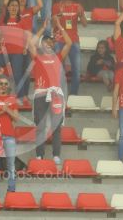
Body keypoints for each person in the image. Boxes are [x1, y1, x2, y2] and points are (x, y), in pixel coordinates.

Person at [28, 19, 71, 164]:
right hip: (40, 93)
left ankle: (56, 155)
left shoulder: (58, 57)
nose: (48, 44)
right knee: (40, 126)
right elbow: (30, 44)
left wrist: (60, 26)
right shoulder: (37, 57)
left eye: (51, 42)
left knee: (56, 127)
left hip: (56, 94)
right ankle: (39, 154)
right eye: (45, 42)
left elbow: (69, 43)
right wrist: (42, 28)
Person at [3, 0, 43, 102]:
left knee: (27, 71)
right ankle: (20, 96)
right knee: (18, 72)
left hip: (28, 45)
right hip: (17, 46)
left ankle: (24, 95)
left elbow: (40, 5)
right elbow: (5, 3)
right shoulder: (12, 10)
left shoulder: (29, 10)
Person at [0, 0, 30, 104]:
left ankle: (20, 97)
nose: (14, 7)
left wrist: (25, 47)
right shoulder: (3, 19)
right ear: (8, 7)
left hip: (17, 51)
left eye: (16, 6)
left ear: (18, 8)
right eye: (12, 5)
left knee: (17, 74)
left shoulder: (22, 20)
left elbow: (27, 35)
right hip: (3, 51)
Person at [52, 0, 87, 95]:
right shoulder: (56, 6)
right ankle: (60, 95)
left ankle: (73, 96)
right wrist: (56, 18)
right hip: (59, 40)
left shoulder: (78, 6)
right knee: (59, 70)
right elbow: (53, 25)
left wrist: (81, 14)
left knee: (76, 71)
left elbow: (85, 24)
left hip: (74, 41)